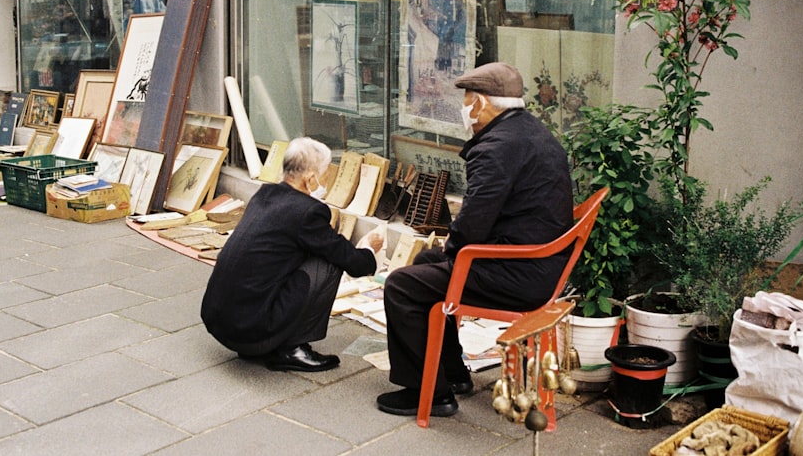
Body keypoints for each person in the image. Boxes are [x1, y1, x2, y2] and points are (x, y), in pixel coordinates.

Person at [375, 62, 574, 417]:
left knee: (402, 285)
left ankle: (430, 393)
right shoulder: (529, 131)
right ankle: (452, 373)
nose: (464, 110)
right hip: (537, 262)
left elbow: (473, 224)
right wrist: (446, 254)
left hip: (518, 273)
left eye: (466, 101)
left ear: (480, 103)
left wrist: (451, 253)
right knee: (425, 263)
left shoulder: (496, 147)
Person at [201, 137, 384, 372]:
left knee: (309, 253)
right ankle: (292, 349)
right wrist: (368, 248)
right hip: (250, 333)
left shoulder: (264, 195)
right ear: (310, 179)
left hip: (221, 324)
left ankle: (268, 338)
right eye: (326, 173)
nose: (328, 180)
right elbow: (354, 263)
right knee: (327, 263)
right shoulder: (309, 212)